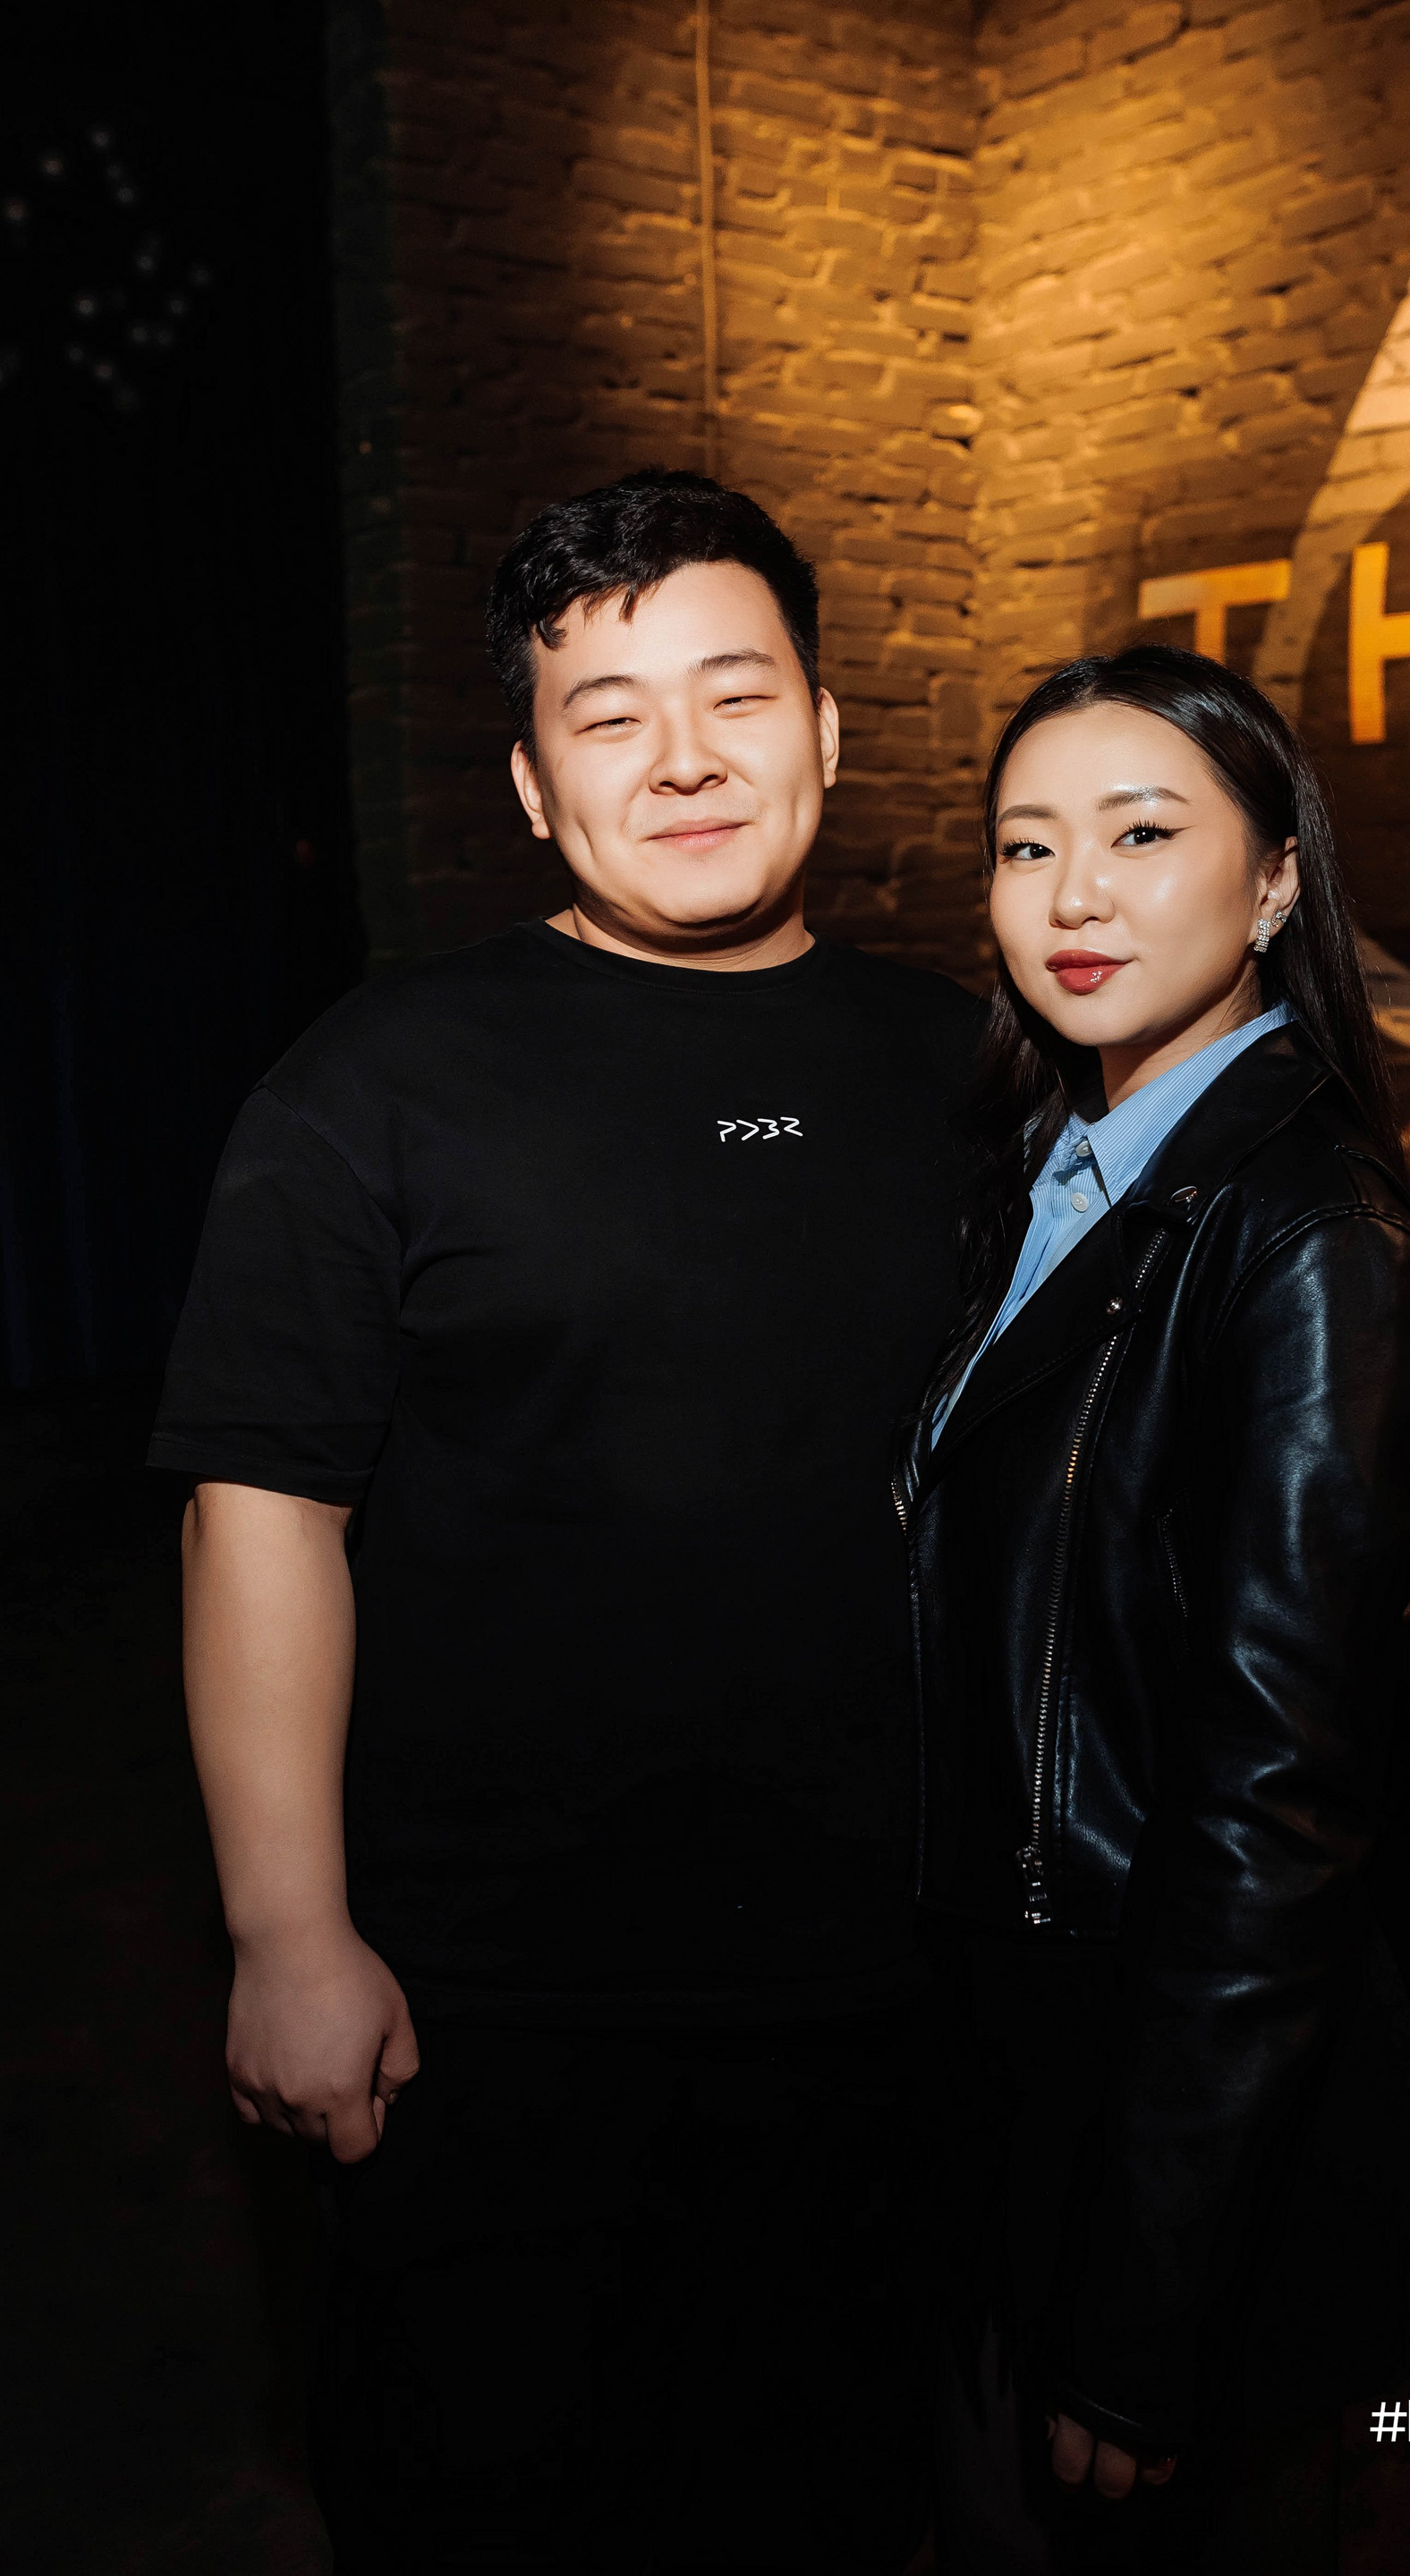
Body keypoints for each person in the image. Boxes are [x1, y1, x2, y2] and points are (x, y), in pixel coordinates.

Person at [149, 468, 981, 2572]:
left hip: (895, 1994)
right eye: (610, 717)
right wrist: (288, 1935)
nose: (684, 758)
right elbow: (261, 1514)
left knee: (838, 2509)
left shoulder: (978, 1066)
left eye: (736, 694)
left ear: (829, 728)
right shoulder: (374, 1084)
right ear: (531, 788)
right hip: (492, 2009)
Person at [897, 645, 1410, 2572]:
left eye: (1143, 835)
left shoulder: (1312, 1243)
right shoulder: (1048, 1178)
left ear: (1279, 877)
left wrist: (1144, 2313)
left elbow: (1272, 1824)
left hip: (1177, 2120)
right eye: (1024, 845)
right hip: (1027, 2061)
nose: (1073, 894)